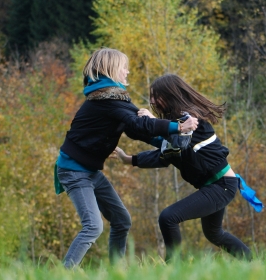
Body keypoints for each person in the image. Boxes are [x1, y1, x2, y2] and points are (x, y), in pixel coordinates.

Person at [56, 49, 198, 268]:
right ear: (111, 69)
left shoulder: (114, 98)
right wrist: (177, 127)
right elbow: (137, 125)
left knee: (121, 220)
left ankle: (115, 273)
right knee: (93, 226)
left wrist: (165, 143)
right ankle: (64, 274)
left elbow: (137, 130)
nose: (127, 71)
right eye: (124, 67)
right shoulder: (106, 100)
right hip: (74, 171)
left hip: (89, 171)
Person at [112, 73, 253, 261]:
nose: (152, 100)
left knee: (168, 218)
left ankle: (174, 269)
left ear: (170, 94)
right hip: (216, 185)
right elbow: (164, 155)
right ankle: (254, 264)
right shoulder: (176, 124)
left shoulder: (190, 120)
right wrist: (128, 158)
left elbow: (178, 140)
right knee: (214, 234)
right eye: (151, 96)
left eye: (156, 96)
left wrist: (153, 120)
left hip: (222, 185)